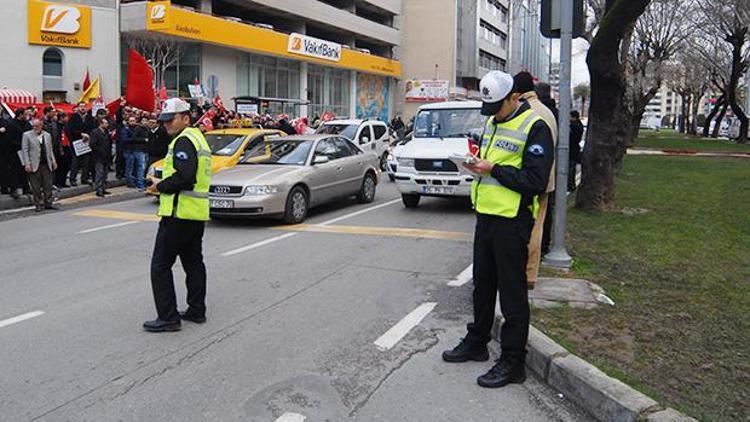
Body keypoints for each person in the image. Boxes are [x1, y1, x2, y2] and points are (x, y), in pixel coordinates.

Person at [442, 71, 554, 389]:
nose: (493, 114)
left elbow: (535, 181)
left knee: (512, 293)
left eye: (498, 107)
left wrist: (493, 169)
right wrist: (475, 164)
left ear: (514, 97)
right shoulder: (492, 122)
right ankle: (477, 341)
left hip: (513, 221)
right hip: (487, 217)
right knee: (483, 285)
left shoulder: (536, 127)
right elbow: (491, 165)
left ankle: (513, 361)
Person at [143, 98, 212, 332]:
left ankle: (168, 317)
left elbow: (185, 177)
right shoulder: (197, 137)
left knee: (160, 265)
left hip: (178, 213)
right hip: (194, 214)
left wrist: (158, 186)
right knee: (193, 263)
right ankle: (196, 310)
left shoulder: (183, 141)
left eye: (170, 120)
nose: (166, 125)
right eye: (163, 121)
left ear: (185, 117)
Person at [513, 72, 558, 290]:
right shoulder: (547, 112)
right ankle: (531, 273)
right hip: (546, 178)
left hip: (526, 179)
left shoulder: (523, 112)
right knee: (537, 225)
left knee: (525, 228)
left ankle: (523, 271)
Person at [21, 118, 58, 212]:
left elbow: (50, 150)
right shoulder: (27, 135)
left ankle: (48, 202)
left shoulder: (47, 135)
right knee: (36, 186)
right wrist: (27, 164)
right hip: (34, 164)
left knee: (48, 185)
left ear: (41, 126)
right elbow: (25, 151)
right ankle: (38, 203)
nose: (35, 128)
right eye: (33, 126)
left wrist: (53, 161)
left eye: (37, 126)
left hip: (46, 163)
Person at [5, 108, 32, 198]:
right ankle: (14, 189)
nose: (27, 116)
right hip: (15, 151)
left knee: (25, 169)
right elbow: (9, 139)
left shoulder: (27, 124)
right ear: (20, 115)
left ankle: (26, 188)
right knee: (14, 171)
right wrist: (21, 144)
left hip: (25, 151)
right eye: (25, 114)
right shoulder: (11, 124)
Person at [67, 103, 91, 186]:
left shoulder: (89, 117)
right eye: (81, 107)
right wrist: (80, 134)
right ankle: (73, 179)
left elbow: (92, 128)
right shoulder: (74, 117)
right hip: (77, 142)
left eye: (84, 106)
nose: (83, 108)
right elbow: (70, 129)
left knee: (86, 161)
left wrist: (88, 135)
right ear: (78, 108)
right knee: (76, 161)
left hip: (87, 142)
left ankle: (85, 178)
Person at [90, 117, 112, 197]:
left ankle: (103, 188)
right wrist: (100, 151)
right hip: (98, 156)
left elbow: (109, 143)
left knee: (105, 174)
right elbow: (92, 144)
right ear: (101, 124)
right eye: (105, 123)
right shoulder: (95, 132)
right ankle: (98, 189)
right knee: (99, 173)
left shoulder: (106, 132)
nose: (107, 124)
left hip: (106, 156)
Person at [568, 111, 584, 192]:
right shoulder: (579, 125)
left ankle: (570, 184)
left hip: (572, 149)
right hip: (575, 149)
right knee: (572, 168)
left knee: (570, 168)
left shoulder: (573, 126)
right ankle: (571, 184)